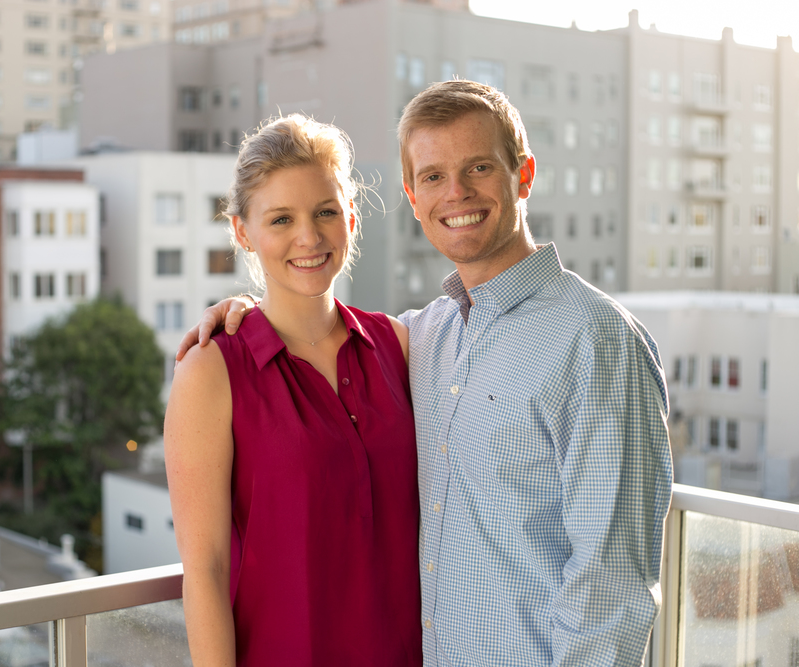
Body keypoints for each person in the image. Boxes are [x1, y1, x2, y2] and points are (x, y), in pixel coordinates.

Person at [178, 80, 673, 666]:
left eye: (479, 167)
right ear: (413, 197)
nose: (456, 192)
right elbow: (205, 569)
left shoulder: (595, 341)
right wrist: (240, 313)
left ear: (524, 175)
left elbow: (612, 592)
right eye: (434, 176)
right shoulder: (428, 336)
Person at [164, 114, 423, 666]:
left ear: (351, 217)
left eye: (325, 211)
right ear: (242, 232)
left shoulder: (398, 344)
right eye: (281, 219)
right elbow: (204, 572)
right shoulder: (211, 370)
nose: (309, 237)